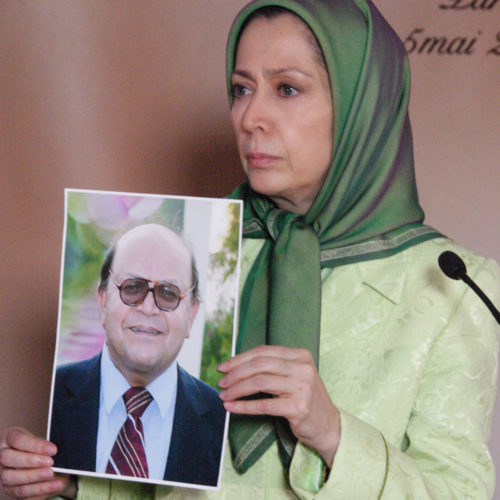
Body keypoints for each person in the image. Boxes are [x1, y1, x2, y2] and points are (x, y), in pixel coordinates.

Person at [1, 0, 499, 499]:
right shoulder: (196, 256)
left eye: (287, 88)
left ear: (360, 104)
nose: (250, 117)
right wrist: (77, 482)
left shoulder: (453, 286)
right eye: (242, 89)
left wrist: (334, 434)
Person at [49, 223, 225, 489]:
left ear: (191, 314)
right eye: (132, 287)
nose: (149, 308)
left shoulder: (223, 421)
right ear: (103, 301)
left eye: (168, 293)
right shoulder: (47, 398)